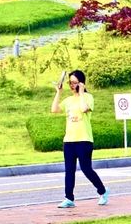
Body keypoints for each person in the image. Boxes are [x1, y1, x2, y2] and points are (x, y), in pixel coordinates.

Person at [51, 70, 109, 208]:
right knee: (69, 170)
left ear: (81, 83)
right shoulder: (68, 100)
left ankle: (103, 191)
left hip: (84, 139)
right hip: (69, 140)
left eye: (75, 82)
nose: (72, 85)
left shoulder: (88, 97)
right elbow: (54, 109)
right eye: (70, 82)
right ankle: (69, 198)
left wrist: (82, 92)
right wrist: (58, 92)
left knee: (86, 168)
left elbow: (84, 109)